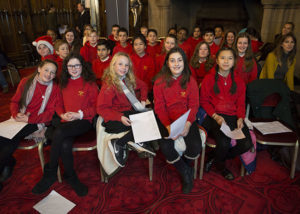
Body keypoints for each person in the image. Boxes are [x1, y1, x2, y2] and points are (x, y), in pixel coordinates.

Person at [32, 53, 98, 196]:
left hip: (83, 121)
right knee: (65, 144)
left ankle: (49, 173)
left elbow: (96, 107)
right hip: (66, 121)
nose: (73, 68)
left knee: (59, 133)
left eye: (77, 65)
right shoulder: (63, 83)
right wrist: (62, 114)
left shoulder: (90, 83)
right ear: (66, 67)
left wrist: (79, 114)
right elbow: (58, 104)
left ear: (82, 66)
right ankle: (70, 175)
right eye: (70, 66)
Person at [0, 60, 59, 192]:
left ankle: (8, 163)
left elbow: (50, 114)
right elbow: (14, 101)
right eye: (46, 70)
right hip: (20, 117)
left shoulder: (54, 88)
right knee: (6, 140)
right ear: (39, 69)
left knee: (8, 138)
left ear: (55, 76)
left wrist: (30, 118)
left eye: (52, 72)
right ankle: (8, 162)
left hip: (37, 121)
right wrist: (16, 114)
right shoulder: (26, 81)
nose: (49, 74)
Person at [153, 47, 201, 194]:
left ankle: (185, 166)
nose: (176, 64)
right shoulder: (159, 82)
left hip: (186, 118)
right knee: (166, 147)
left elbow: (194, 105)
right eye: (172, 60)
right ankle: (186, 173)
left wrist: (187, 125)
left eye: (179, 60)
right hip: (167, 119)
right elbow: (160, 108)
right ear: (167, 63)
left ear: (184, 63)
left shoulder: (190, 81)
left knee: (195, 147)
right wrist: (168, 127)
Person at [200, 47, 252, 180]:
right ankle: (221, 165)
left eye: (230, 58)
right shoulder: (209, 78)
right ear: (217, 60)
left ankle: (216, 157)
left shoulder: (239, 81)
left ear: (234, 62)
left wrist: (241, 118)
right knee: (223, 142)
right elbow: (204, 102)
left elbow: (241, 103)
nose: (226, 61)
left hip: (233, 116)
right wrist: (216, 116)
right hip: (215, 116)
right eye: (222, 58)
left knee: (246, 144)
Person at [97, 52, 154, 168]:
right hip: (114, 120)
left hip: (127, 113)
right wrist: (119, 117)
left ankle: (138, 141)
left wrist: (143, 100)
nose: (124, 68)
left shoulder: (127, 79)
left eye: (126, 65)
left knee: (152, 118)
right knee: (150, 122)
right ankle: (119, 143)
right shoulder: (109, 85)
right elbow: (101, 108)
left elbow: (143, 86)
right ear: (113, 66)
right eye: (120, 64)